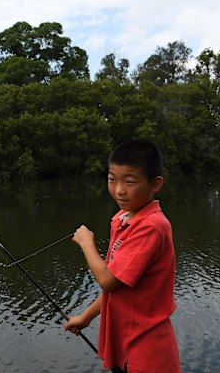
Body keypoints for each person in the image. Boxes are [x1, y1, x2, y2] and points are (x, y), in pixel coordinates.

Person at [64, 139, 180, 372]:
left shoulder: (151, 226)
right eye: (112, 180)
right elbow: (116, 286)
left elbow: (107, 279)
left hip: (147, 352)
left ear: (155, 184)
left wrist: (87, 243)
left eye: (129, 182)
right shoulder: (123, 219)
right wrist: (86, 317)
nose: (119, 190)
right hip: (124, 344)